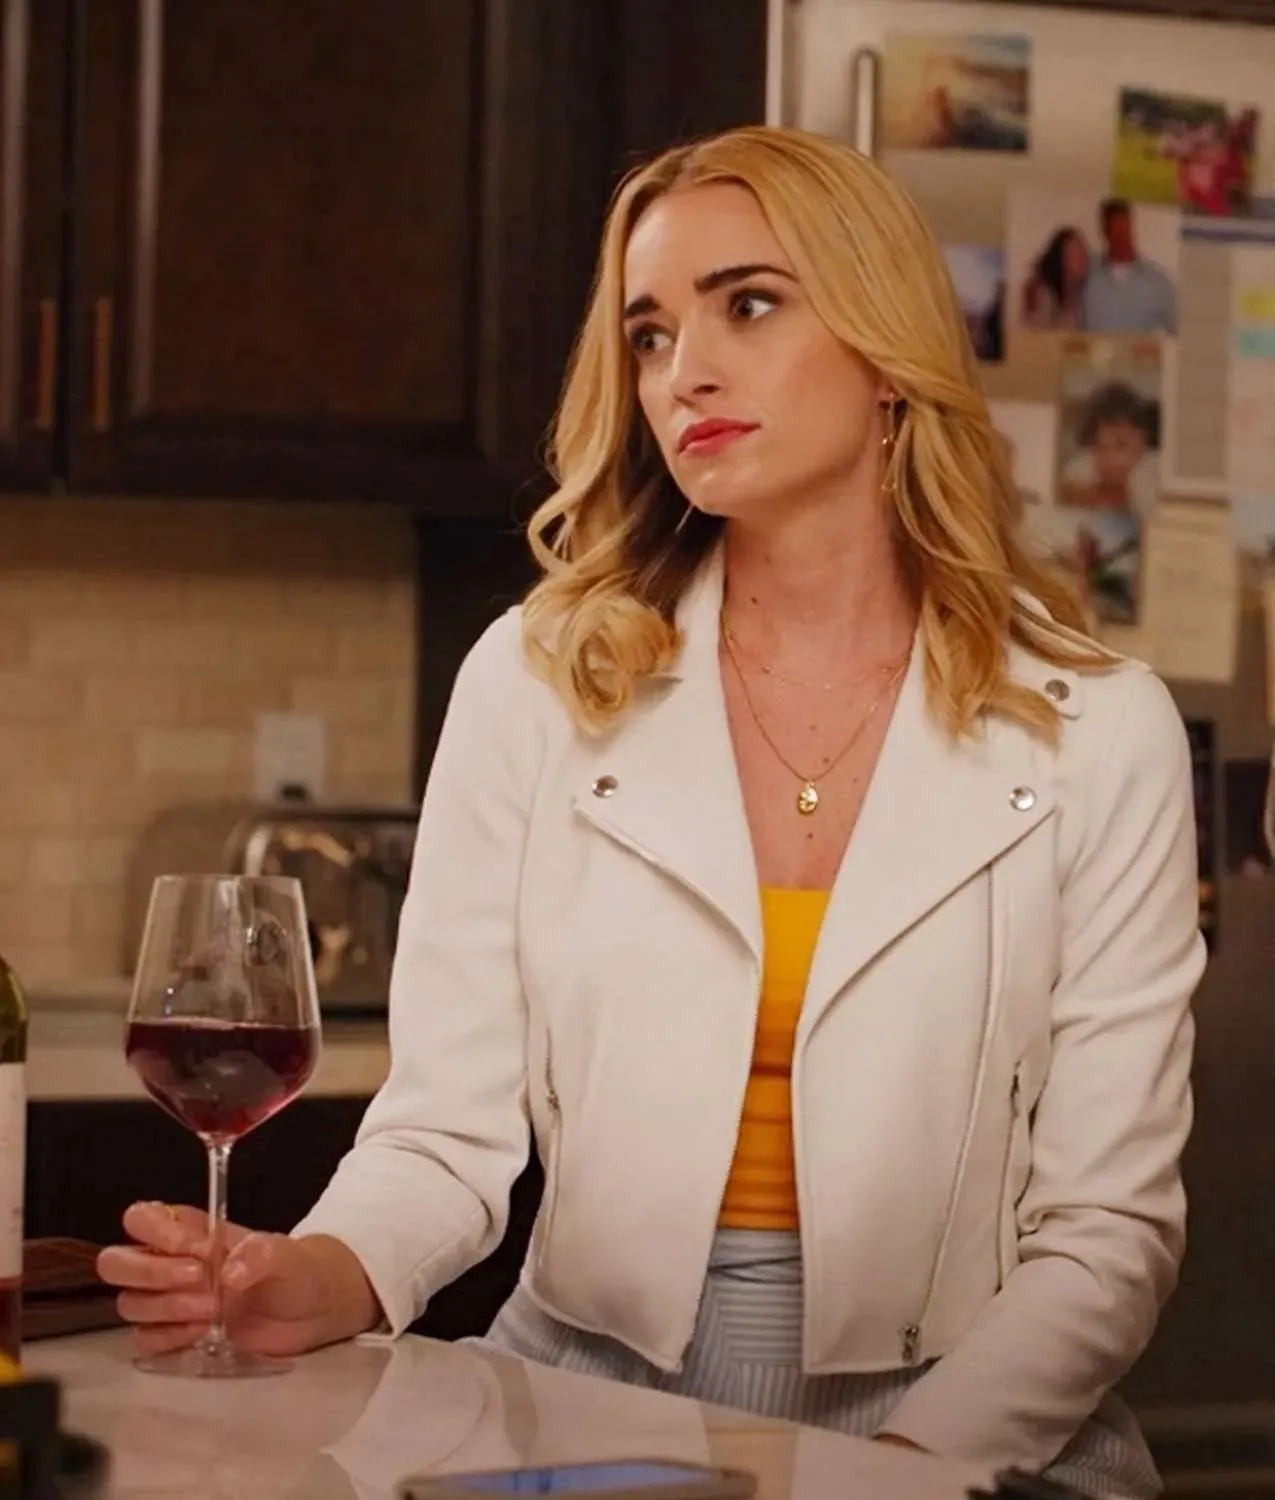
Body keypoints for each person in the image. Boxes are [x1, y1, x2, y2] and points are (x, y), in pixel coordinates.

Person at [98, 126, 1205, 1498]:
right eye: (648, 334)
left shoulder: (1101, 730)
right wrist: (311, 1278)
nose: (685, 371)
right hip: (579, 1410)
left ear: (887, 352)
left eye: (749, 305)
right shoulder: (536, 682)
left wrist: (904, 1472)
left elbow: (1105, 1232)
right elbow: (443, 1137)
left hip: (973, 1428)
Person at [1061, 380, 1160, 515]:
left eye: (1121, 445)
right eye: (1102, 447)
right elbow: (1068, 494)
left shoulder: (1153, 469)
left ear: (1142, 439)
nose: (1111, 457)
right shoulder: (1082, 465)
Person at [1083, 199, 1177, 335]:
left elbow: (1177, 330)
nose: (1124, 240)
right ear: (1105, 234)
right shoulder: (1087, 275)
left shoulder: (1157, 282)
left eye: (1126, 232)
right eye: (1117, 233)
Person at [1020, 227, 1088, 331]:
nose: (1081, 256)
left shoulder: (1083, 291)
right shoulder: (1043, 293)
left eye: (1082, 250)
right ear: (1060, 258)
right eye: (1074, 251)